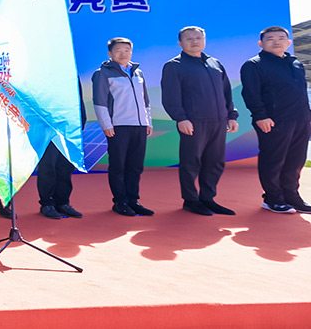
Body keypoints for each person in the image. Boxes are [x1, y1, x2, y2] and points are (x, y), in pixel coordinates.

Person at [161, 26, 239, 216]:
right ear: (180, 43)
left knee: (215, 162)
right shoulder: (174, 66)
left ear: (204, 40)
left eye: (198, 38)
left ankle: (207, 199)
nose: (194, 41)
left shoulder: (215, 63)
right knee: (191, 162)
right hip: (193, 122)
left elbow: (226, 92)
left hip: (219, 121)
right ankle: (190, 200)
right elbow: (170, 96)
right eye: (189, 38)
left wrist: (231, 115)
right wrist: (181, 118)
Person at [239, 26, 311, 214]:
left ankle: (292, 196)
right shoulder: (254, 65)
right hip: (273, 121)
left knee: (296, 160)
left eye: (281, 38)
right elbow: (251, 94)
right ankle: (273, 198)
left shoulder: (295, 63)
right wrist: (260, 116)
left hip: (301, 120)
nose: (276, 41)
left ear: (288, 42)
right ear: (261, 43)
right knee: (274, 160)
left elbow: (301, 93)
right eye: (270, 38)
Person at [92, 37, 154, 217]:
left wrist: (147, 121)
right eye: (118, 51)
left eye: (127, 50)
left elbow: (145, 100)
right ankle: (120, 202)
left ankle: (133, 200)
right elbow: (100, 101)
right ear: (110, 53)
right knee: (118, 165)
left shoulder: (138, 73)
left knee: (135, 166)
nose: (123, 54)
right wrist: (106, 124)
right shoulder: (103, 73)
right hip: (118, 126)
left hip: (139, 126)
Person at [37, 81, 87, 219]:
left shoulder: (71, 72)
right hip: (48, 125)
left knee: (66, 166)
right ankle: (47, 203)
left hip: (69, 126)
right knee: (48, 165)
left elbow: (78, 95)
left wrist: (81, 119)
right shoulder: (43, 73)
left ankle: (63, 202)